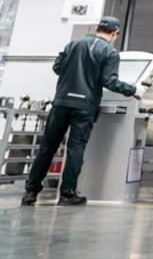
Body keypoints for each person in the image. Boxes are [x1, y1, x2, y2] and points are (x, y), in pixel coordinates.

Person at [21, 17, 140, 206]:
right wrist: (133, 90)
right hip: (84, 107)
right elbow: (109, 81)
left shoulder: (73, 45)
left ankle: (31, 192)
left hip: (61, 103)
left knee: (47, 148)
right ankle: (67, 194)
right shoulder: (110, 52)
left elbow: (57, 67)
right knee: (75, 149)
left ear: (98, 28)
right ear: (115, 33)